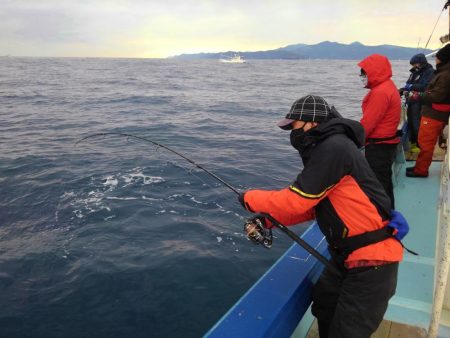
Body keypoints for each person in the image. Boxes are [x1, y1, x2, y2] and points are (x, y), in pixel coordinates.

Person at [238, 95, 404, 338]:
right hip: (346, 254)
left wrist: (250, 198)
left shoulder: (333, 148)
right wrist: (268, 220)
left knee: (347, 331)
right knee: (325, 304)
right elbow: (316, 207)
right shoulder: (328, 148)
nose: (291, 133)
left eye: (293, 125)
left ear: (311, 123)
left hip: (371, 261)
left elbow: (297, 200)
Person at [358, 54, 401, 209]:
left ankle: (384, 218)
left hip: (379, 147)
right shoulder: (387, 86)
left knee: (378, 185)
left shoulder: (380, 92)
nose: (361, 76)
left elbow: (368, 123)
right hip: (387, 144)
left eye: (364, 73)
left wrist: (353, 139)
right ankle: (389, 213)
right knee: (384, 181)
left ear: (374, 72)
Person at [406, 44, 450, 178]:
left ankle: (421, 170)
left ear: (443, 59)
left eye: (437, 57)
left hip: (433, 115)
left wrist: (417, 95)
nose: (435, 59)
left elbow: (436, 95)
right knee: (424, 142)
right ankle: (420, 166)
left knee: (425, 143)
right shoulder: (442, 72)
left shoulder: (445, 75)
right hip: (434, 113)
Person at [399, 53, 434, 152]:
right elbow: (408, 83)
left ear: (421, 63)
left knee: (417, 124)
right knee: (410, 122)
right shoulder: (414, 72)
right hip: (411, 101)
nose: (414, 66)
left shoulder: (430, 72)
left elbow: (425, 86)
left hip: (421, 102)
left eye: (415, 64)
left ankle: (421, 145)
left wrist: (411, 87)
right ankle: (413, 143)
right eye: (412, 64)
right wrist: (402, 90)